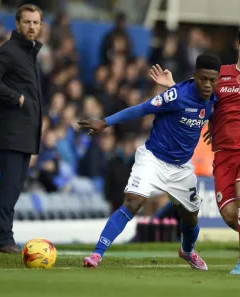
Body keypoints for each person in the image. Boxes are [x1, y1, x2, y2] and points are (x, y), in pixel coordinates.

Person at [78, 53, 221, 269]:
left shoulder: (214, 98)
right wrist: (105, 122)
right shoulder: (175, 95)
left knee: (190, 218)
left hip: (181, 168)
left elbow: (215, 114)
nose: (208, 84)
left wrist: (214, 125)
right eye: (203, 79)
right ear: (194, 75)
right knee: (133, 201)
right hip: (153, 159)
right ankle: (97, 254)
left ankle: (187, 251)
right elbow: (141, 108)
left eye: (213, 80)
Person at [152, 25, 240, 275]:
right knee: (231, 216)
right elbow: (198, 95)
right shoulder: (222, 73)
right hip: (223, 153)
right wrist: (172, 84)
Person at [0, 4, 43, 254]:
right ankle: (1, 239)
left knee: (14, 186)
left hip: (23, 131)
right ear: (17, 24)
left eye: (36, 23)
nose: (31, 27)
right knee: (9, 185)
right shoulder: (9, 50)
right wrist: (15, 97)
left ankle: (3, 237)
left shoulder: (28, 53)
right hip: (11, 131)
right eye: (27, 22)